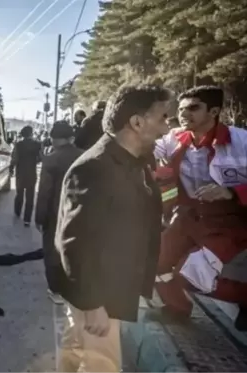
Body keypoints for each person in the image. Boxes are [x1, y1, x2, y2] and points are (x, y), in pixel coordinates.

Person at [55, 85, 170, 373]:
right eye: (163, 118)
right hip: (98, 293)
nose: (167, 128)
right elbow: (74, 241)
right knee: (103, 366)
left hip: (110, 285)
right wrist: (93, 304)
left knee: (75, 345)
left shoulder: (133, 160)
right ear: (137, 122)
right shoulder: (95, 167)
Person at [153, 86, 247, 325]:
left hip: (229, 222)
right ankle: (177, 308)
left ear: (214, 111)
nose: (184, 114)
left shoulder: (241, 141)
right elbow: (142, 146)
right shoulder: (173, 138)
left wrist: (231, 192)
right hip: (188, 216)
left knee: (193, 274)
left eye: (194, 108)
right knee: (153, 258)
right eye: (182, 109)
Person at [34, 121, 83, 304]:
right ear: (71, 138)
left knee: (53, 251)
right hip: (79, 213)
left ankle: (55, 290)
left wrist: (40, 217)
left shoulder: (51, 160)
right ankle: (72, 287)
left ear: (53, 140)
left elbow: (45, 192)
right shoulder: (84, 156)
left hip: (56, 214)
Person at [10, 125, 41, 226]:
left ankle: (17, 212)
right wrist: (34, 161)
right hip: (31, 173)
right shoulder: (37, 144)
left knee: (19, 194)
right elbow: (40, 157)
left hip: (20, 173)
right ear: (31, 133)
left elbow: (14, 159)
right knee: (30, 196)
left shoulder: (18, 145)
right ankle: (27, 220)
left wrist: (11, 168)